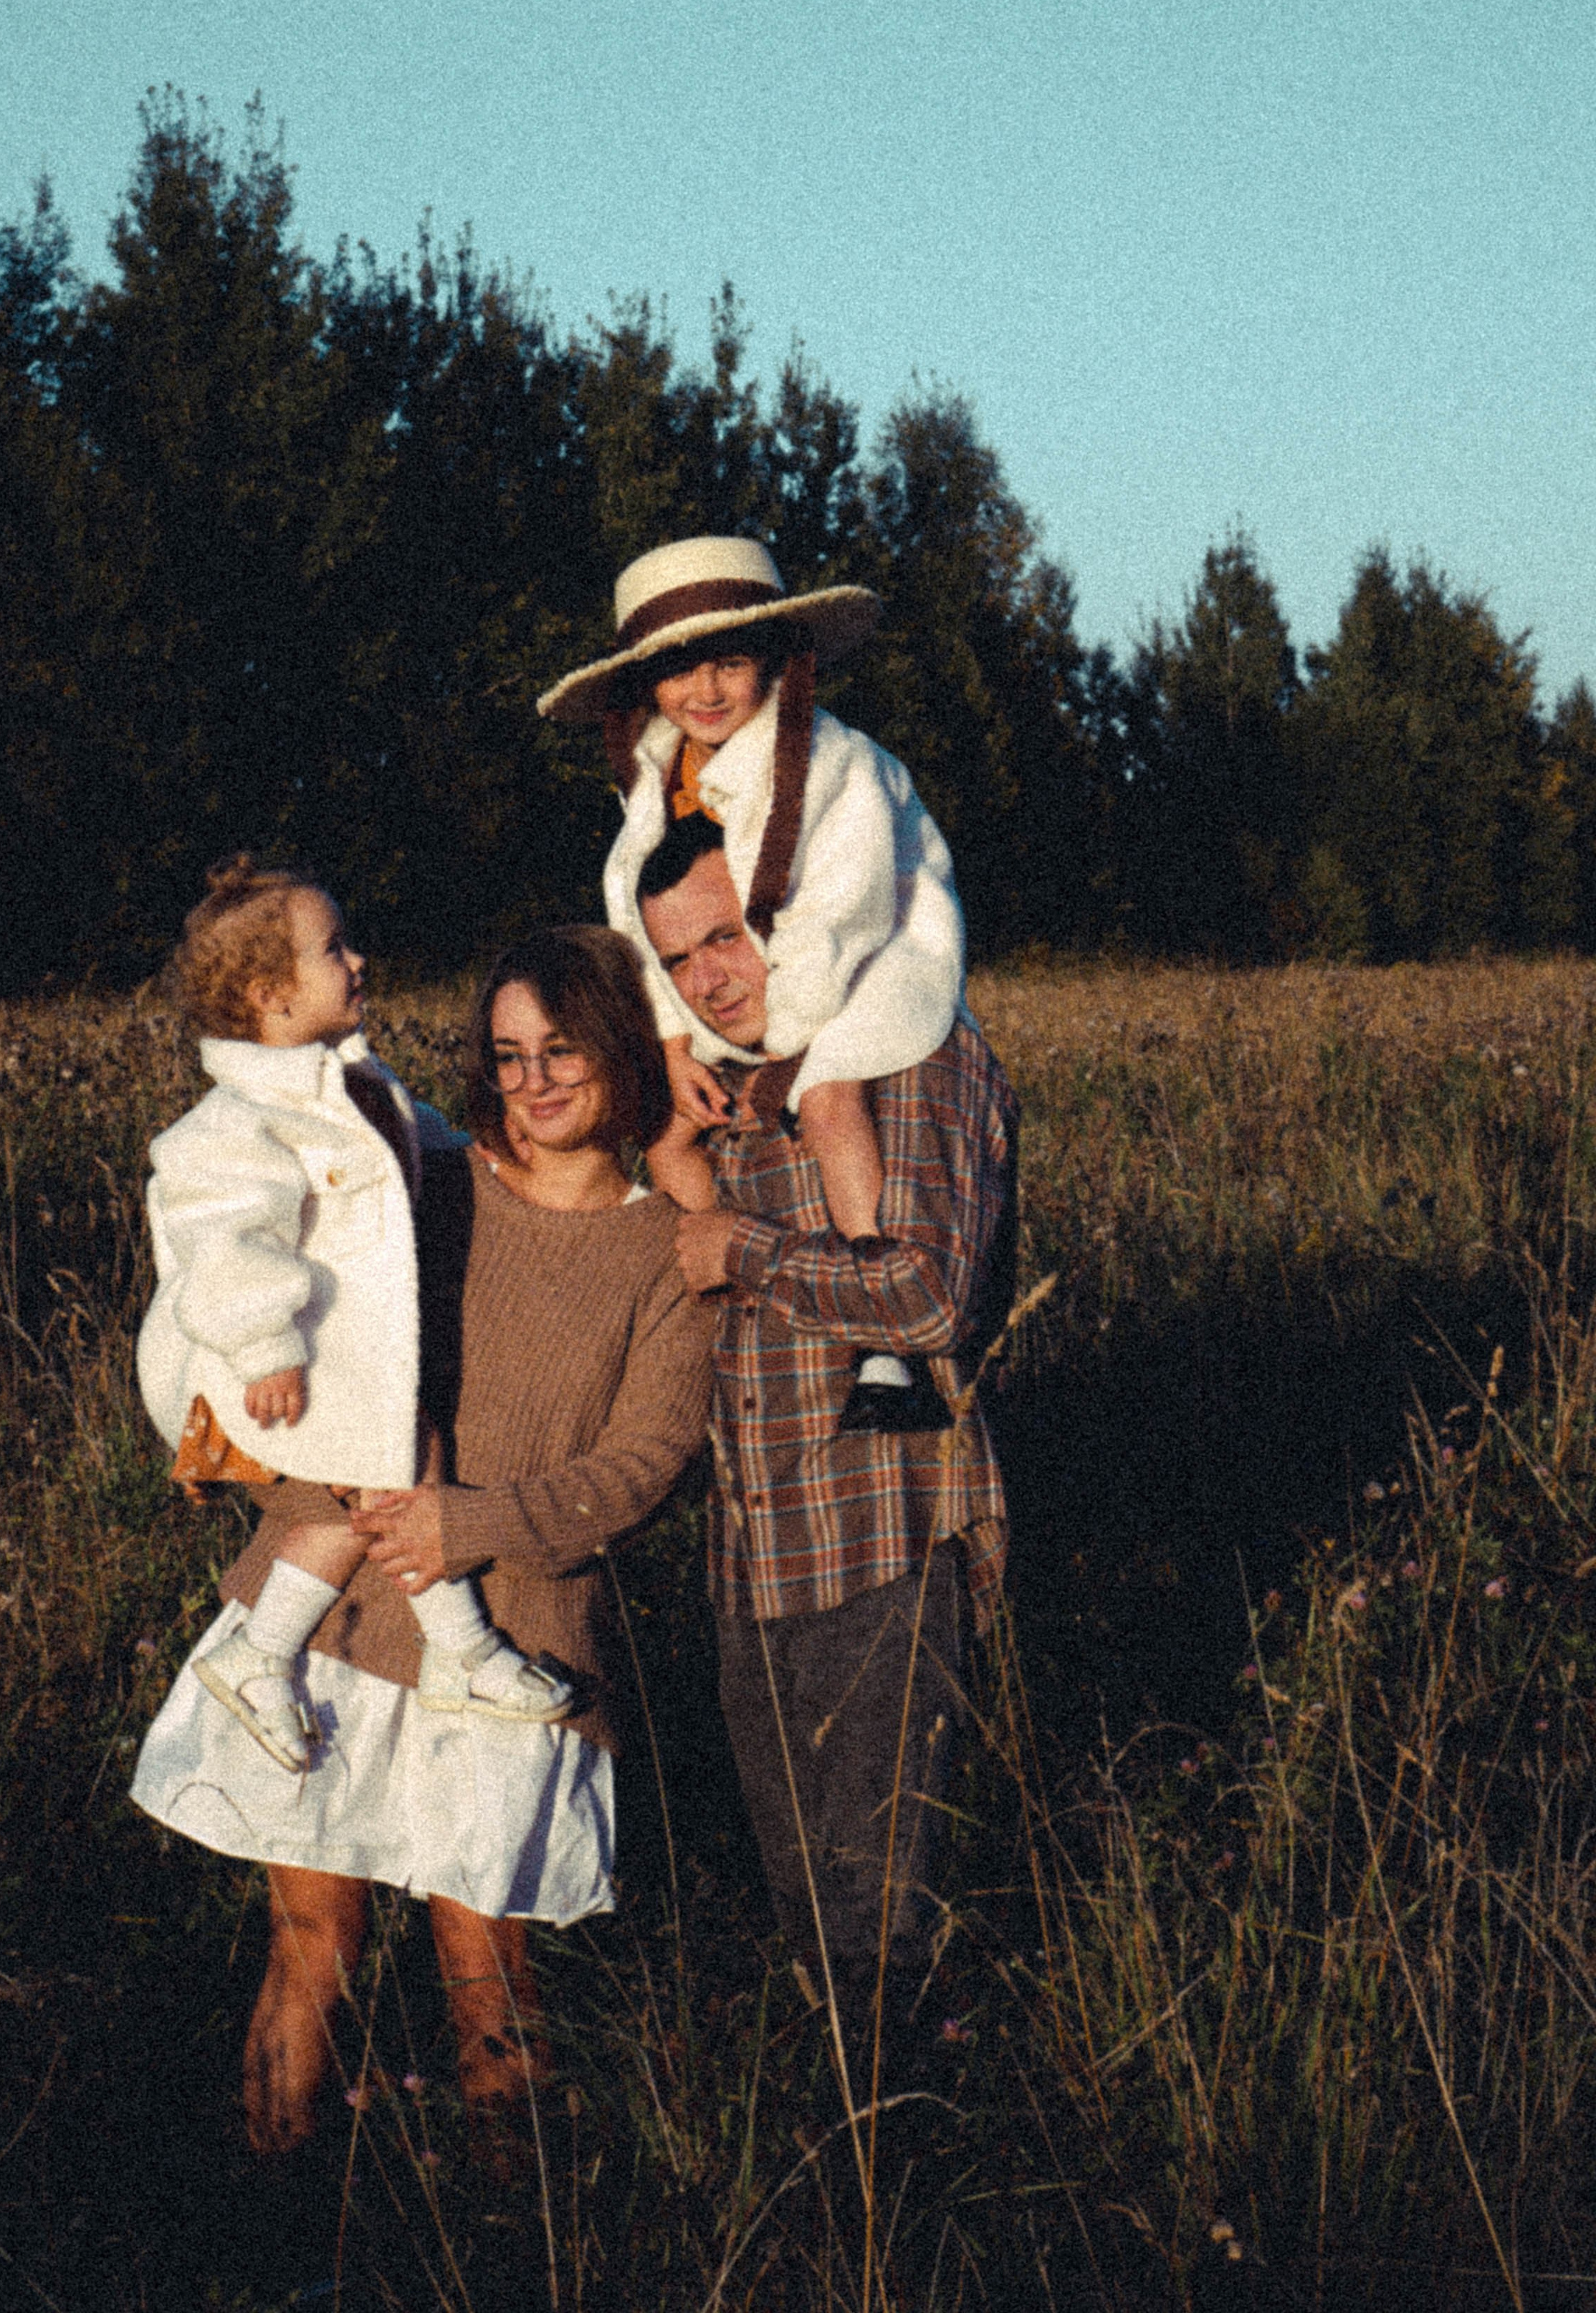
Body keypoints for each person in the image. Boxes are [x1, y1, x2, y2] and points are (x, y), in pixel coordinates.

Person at [130, 924, 715, 2152]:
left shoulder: (670, 1247)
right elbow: (265, 1289)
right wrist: (223, 1424)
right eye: (508, 1054)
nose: (534, 1081)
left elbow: (646, 1465)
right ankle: (271, 2207)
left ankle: (508, 2230)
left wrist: (471, 1525)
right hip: (335, 1620)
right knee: (314, 1944)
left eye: (563, 1050)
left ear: (621, 1049)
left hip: (517, 1641)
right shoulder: (425, 1186)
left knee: (487, 1965)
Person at [636, 817, 1018, 2072]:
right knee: (809, 1921)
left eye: (727, 937)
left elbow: (931, 1296)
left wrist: (739, 1249)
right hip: (754, 1563)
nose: (709, 979)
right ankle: (846, 2147)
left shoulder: (907, 1047)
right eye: (678, 959)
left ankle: (902, 2159)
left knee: (887, 1931)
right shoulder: (725, 1079)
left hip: (879, 1550)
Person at [135, 854, 570, 1770]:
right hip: (260, 1369)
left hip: (334, 1361)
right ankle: (414, 1650)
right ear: (271, 997)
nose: (359, 961)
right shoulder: (238, 1122)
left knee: (395, 1470)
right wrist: (264, 1345)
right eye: (334, 950)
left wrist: (478, 1156)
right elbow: (222, 1241)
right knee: (385, 1477)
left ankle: (354, 1654)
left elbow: (410, 1147)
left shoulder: (349, 1081)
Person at [538, 534, 964, 1404]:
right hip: (748, 975)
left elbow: (842, 908)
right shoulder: (659, 776)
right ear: (644, 684)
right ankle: (728, 1291)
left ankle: (882, 1338)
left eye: (729, 664)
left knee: (830, 1099)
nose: (704, 692)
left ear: (775, 662)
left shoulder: (837, 763)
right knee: (667, 1133)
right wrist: (671, 1043)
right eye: (678, 671)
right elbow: (636, 912)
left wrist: (786, 1048)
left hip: (871, 958)